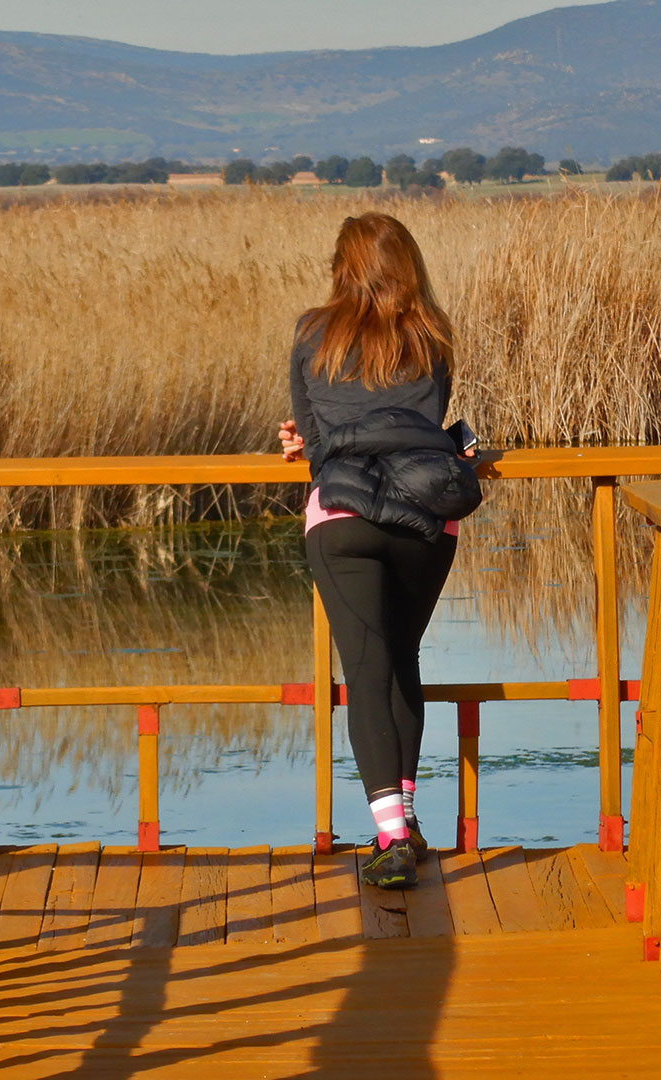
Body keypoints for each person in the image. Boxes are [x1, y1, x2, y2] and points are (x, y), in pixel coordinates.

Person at [277, 212, 479, 891]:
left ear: (342, 267)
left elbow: (314, 436)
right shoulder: (434, 333)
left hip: (342, 514)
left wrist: (311, 443)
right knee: (400, 661)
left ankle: (391, 836)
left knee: (364, 669)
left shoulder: (313, 332)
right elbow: (421, 424)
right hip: (427, 515)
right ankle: (409, 818)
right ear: (409, 265)